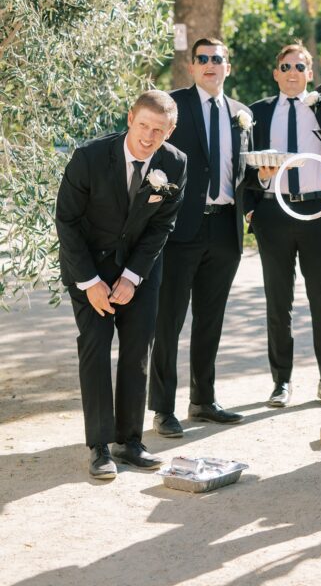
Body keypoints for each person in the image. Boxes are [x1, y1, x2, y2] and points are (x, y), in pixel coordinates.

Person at [56, 90, 187, 479]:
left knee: (137, 350)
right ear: (130, 118)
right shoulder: (89, 158)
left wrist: (132, 277)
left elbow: (163, 224)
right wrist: (90, 282)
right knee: (95, 347)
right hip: (88, 268)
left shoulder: (175, 163)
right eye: (144, 125)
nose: (149, 137)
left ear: (170, 130)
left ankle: (130, 441)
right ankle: (99, 446)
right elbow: (67, 222)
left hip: (139, 271)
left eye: (158, 130)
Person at [245, 33, 321, 410]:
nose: (293, 72)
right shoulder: (258, 111)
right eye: (286, 66)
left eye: (300, 65)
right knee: (278, 303)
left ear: (310, 71)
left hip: (318, 213)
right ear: (276, 74)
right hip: (273, 213)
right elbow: (243, 165)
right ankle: (281, 383)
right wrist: (254, 197)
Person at [148, 38, 254, 438]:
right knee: (168, 321)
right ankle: (162, 408)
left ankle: (203, 401)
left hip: (226, 230)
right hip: (179, 231)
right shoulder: (172, 106)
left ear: (229, 66)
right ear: (192, 67)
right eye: (203, 59)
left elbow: (243, 173)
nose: (211, 65)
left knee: (210, 320)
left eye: (218, 59)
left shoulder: (241, 115)